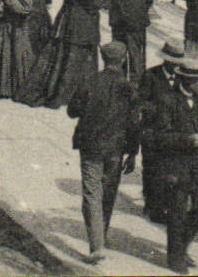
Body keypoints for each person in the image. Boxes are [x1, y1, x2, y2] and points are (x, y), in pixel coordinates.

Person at [142, 56, 198, 274]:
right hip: (175, 164)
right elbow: (159, 136)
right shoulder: (167, 100)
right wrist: (187, 139)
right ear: (187, 81)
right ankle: (176, 258)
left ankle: (181, 246)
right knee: (177, 212)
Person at [68, 40, 141, 264]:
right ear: (122, 60)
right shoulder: (128, 88)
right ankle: (102, 235)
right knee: (108, 194)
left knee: (92, 194)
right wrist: (132, 152)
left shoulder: (90, 81)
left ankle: (96, 245)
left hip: (91, 146)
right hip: (116, 149)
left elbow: (73, 111)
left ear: (103, 58)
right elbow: (134, 123)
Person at [21, 0, 101, 109]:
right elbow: (95, 4)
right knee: (77, 60)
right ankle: (71, 95)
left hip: (65, 20)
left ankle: (55, 91)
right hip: (82, 24)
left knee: (60, 58)